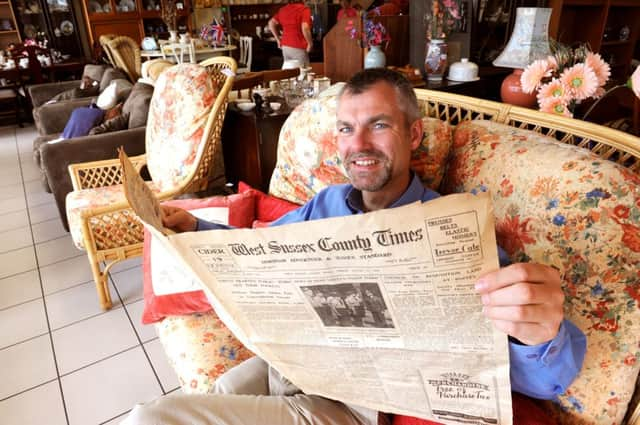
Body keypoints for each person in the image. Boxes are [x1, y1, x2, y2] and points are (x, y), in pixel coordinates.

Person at [123, 68, 586, 425]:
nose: (357, 144)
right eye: (346, 129)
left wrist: (542, 336)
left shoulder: (452, 229)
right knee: (188, 404)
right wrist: (196, 228)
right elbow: (259, 250)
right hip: (288, 361)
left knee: (150, 420)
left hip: (346, 405)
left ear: (415, 135)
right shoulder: (325, 203)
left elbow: (543, 380)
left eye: (378, 125)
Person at [268, 0, 313, 68]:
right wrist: (310, 43)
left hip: (285, 47)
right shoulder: (304, 9)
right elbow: (305, 27)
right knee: (304, 73)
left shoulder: (283, 9)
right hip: (299, 46)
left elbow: (271, 23)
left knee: (290, 73)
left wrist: (278, 40)